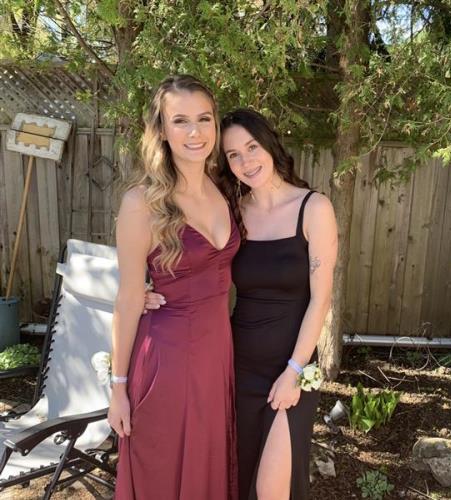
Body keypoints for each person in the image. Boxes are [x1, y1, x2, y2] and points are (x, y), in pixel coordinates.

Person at [146, 108, 337, 500]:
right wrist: (150, 290)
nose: (246, 161)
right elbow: (197, 265)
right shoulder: (235, 213)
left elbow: (320, 300)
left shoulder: (314, 208)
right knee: (238, 475)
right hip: (236, 364)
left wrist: (294, 370)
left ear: (269, 144)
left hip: (293, 363)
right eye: (233, 155)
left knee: (273, 487)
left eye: (251, 147)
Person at [109, 75, 239, 500]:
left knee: (207, 471)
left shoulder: (225, 188)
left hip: (217, 356)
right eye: (180, 121)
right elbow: (128, 299)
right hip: (167, 360)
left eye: (204, 119)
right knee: (165, 476)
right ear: (161, 130)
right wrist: (117, 388)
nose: (195, 132)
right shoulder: (141, 203)